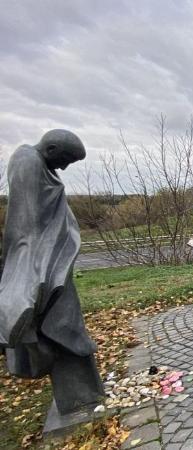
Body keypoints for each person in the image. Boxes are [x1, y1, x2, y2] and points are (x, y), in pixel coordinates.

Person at [0, 129, 105, 414]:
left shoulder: (36, 162)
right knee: (61, 320)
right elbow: (28, 224)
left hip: (51, 260)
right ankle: (79, 392)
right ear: (53, 147)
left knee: (66, 320)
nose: (65, 167)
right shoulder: (28, 162)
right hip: (41, 263)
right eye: (66, 159)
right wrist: (34, 272)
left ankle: (83, 389)